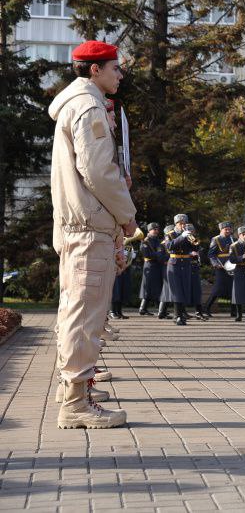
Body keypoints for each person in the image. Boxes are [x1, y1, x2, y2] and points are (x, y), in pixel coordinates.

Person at [48, 39, 137, 428]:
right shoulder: (89, 107)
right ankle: (75, 404)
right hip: (89, 227)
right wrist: (128, 217)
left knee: (75, 311)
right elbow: (99, 172)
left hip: (81, 226)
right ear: (94, 69)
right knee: (83, 316)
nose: (120, 74)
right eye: (115, 67)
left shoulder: (80, 103)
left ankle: (74, 389)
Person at [206, 222, 234, 317]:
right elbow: (211, 255)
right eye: (226, 229)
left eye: (229, 229)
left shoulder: (232, 239)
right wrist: (216, 264)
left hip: (231, 266)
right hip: (221, 267)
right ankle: (206, 308)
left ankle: (234, 312)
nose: (228, 231)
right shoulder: (216, 239)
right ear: (221, 229)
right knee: (217, 289)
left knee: (232, 288)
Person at [138, 223, 166, 316]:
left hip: (157, 266)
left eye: (157, 229)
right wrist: (158, 255)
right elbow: (146, 254)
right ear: (149, 230)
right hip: (149, 265)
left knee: (157, 287)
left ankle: (155, 309)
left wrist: (161, 256)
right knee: (148, 287)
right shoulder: (146, 241)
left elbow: (161, 251)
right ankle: (143, 308)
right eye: (154, 229)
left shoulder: (157, 240)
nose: (156, 231)